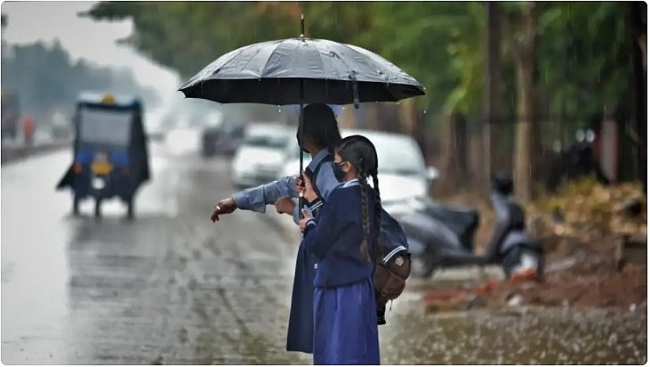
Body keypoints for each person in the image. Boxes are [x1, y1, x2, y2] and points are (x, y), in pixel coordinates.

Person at [210, 103, 342, 354]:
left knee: (326, 332)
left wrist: (292, 210)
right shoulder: (316, 168)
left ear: (309, 132)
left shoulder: (327, 173)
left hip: (326, 261)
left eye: (301, 124)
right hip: (317, 257)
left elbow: (333, 221)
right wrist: (236, 201)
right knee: (320, 332)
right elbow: (278, 189)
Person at [297, 135, 382, 364]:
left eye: (336, 162)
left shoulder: (339, 196)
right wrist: (313, 197)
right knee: (359, 357)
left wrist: (309, 225)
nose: (334, 166)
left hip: (336, 292)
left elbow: (318, 245)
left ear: (347, 166)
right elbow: (341, 228)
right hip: (362, 291)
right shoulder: (369, 197)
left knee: (336, 356)